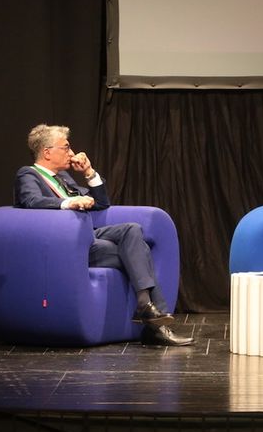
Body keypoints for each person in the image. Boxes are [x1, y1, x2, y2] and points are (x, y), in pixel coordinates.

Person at [12, 124, 192, 347]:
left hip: (89, 235)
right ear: (47, 152)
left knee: (132, 230)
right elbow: (31, 201)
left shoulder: (64, 177)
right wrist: (69, 202)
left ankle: (145, 304)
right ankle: (155, 324)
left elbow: (102, 203)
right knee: (140, 252)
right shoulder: (28, 174)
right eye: (66, 148)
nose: (71, 152)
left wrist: (89, 172)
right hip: (67, 245)